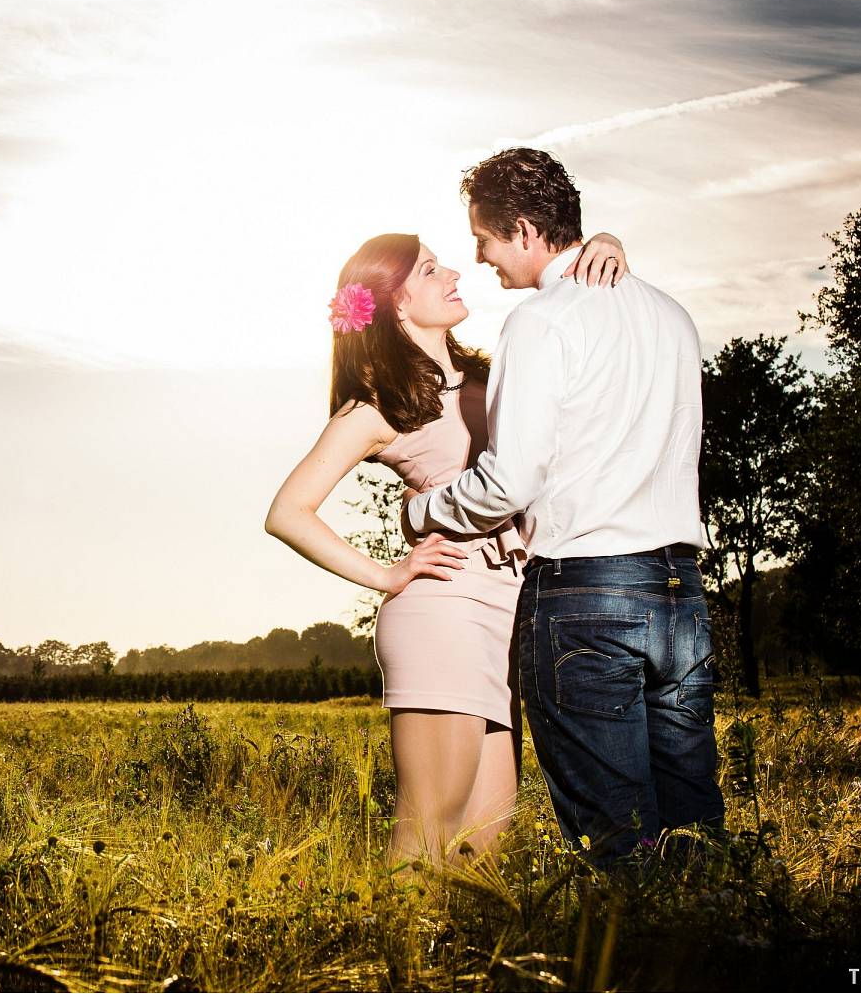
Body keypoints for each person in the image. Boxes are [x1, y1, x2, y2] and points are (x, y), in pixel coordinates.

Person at [403, 147, 726, 867]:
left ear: (522, 229)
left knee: (619, 842)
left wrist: (423, 512)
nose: (480, 256)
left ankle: (638, 972)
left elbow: (507, 483)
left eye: (484, 238)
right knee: (694, 825)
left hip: (588, 591)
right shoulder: (672, 315)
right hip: (681, 594)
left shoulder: (541, 324)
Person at [264, 227, 626, 866]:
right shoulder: (376, 406)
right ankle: (391, 963)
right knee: (427, 838)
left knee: (485, 847)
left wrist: (605, 243)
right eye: (431, 270)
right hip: (444, 612)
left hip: (510, 610)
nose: (454, 273)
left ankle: (451, 964)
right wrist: (388, 575)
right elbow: (288, 512)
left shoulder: (494, 374)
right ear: (397, 303)